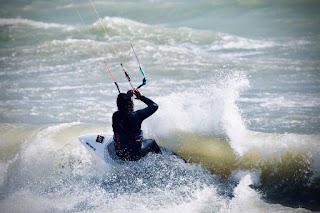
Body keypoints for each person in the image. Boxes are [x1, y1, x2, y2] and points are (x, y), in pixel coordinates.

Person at [112, 89, 162, 161]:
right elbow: (154, 106)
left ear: (118, 104)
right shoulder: (137, 115)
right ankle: (161, 161)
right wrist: (141, 97)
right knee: (152, 142)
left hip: (120, 154)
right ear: (130, 103)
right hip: (135, 155)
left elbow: (123, 109)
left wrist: (127, 97)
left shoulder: (115, 116)